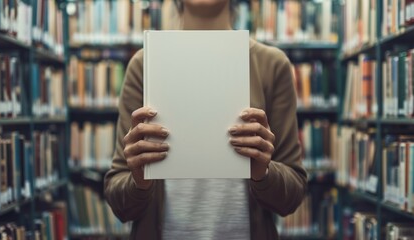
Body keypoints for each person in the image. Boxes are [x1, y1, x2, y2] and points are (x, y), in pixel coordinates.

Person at [104, 0, 307, 238]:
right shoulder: (144, 64)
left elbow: (291, 197)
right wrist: (138, 180)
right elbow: (120, 202)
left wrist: (264, 172)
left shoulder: (272, 64)